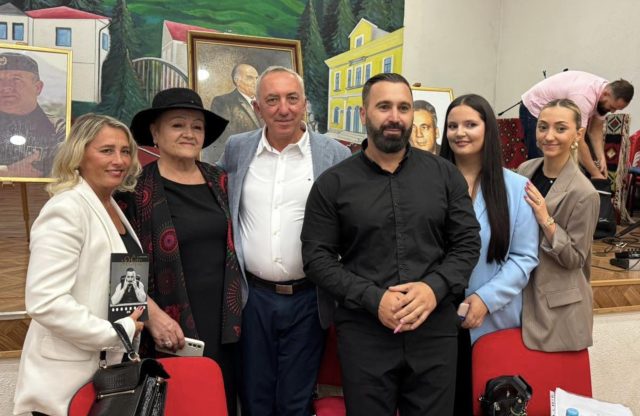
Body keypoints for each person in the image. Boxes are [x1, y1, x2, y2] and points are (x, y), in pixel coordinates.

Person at [301, 73, 481, 416]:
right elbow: (316, 257)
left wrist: (433, 289)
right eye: (384, 107)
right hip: (365, 333)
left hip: (434, 332)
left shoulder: (444, 175)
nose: (395, 117)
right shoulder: (333, 184)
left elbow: (467, 243)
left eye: (404, 107)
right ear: (363, 113)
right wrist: (374, 298)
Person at [219, 66, 351, 415]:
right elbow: (215, 198)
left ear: (305, 104)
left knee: (296, 401)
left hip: (310, 298)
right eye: (272, 100)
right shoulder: (237, 149)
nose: (284, 109)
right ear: (257, 107)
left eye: (292, 99)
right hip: (252, 298)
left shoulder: (335, 155)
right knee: (254, 398)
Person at [120, 87, 243, 416]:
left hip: (224, 322)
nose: (189, 133)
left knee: (219, 402)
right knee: (177, 405)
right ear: (155, 133)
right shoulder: (133, 189)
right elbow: (119, 267)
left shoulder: (220, 180)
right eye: (177, 125)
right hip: (166, 326)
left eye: (196, 126)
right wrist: (151, 316)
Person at [13, 114, 145, 416]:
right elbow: (45, 301)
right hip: (65, 383)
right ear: (79, 154)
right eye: (107, 150)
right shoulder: (66, 208)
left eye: (125, 151)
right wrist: (117, 332)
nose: (119, 160)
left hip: (107, 376)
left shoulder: (111, 206)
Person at [440, 94, 539, 415]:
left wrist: (485, 299)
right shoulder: (429, 183)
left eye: (470, 124)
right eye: (452, 126)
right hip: (437, 317)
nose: (460, 133)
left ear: (489, 130)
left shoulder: (517, 188)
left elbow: (524, 257)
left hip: (492, 319)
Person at [518, 99, 600, 352]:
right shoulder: (525, 170)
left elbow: (575, 258)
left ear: (578, 134)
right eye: (543, 127)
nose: (549, 136)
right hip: (519, 291)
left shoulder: (585, 193)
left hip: (557, 310)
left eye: (560, 128)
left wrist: (546, 219)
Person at [520, 70, 634, 178]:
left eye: (616, 109)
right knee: (543, 161)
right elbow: (578, 141)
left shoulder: (605, 93)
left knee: (566, 159)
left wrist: (601, 157)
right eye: (612, 107)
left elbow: (595, 131)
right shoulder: (584, 97)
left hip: (556, 114)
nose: (613, 112)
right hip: (534, 108)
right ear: (605, 94)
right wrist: (596, 174)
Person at [0, 52, 66, 178]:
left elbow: (63, 171)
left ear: (38, 88)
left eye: (16, 79)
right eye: (0, 80)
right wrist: (7, 172)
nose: (6, 87)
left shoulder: (58, 129)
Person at [205, 63, 262, 163]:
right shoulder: (223, 102)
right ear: (237, 81)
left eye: (257, 78)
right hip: (239, 162)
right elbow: (224, 139)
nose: (255, 82)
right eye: (250, 78)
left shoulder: (264, 103)